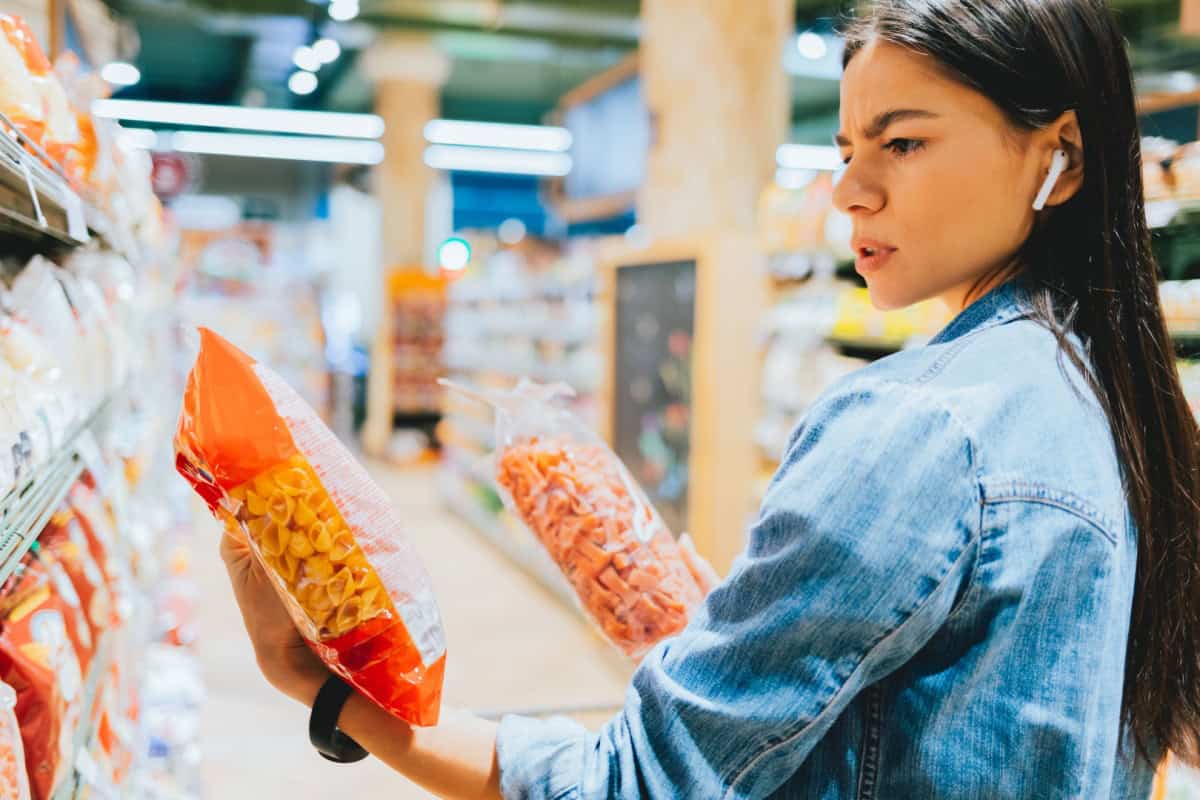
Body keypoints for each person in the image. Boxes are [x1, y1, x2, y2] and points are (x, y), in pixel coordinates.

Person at [219, 1, 1200, 797]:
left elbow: (633, 786)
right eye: (849, 143)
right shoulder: (1113, 400)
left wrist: (325, 692)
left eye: (901, 143)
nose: (849, 190)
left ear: (1057, 154)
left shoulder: (917, 427)